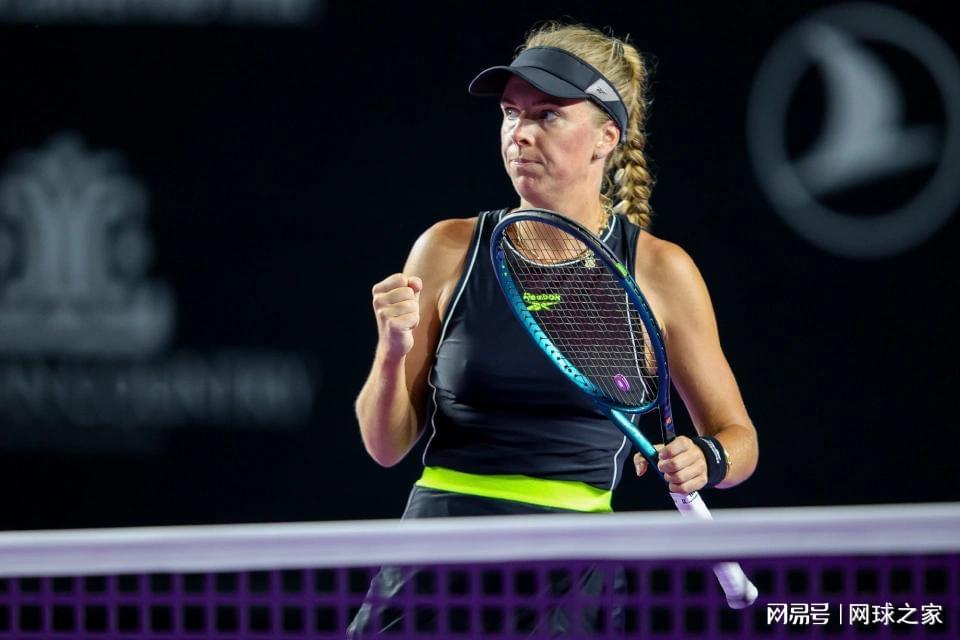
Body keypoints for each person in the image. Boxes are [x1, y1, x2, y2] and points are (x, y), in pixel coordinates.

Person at [351, 21, 759, 635]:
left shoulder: (661, 271)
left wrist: (709, 456)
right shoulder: (447, 248)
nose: (519, 133)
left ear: (606, 137)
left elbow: (739, 438)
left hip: (571, 575)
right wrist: (392, 350)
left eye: (547, 116)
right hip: (436, 560)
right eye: (511, 114)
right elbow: (385, 448)